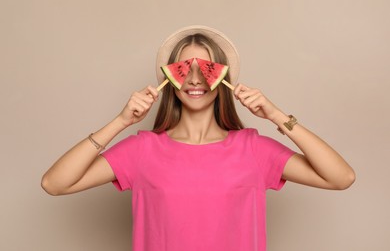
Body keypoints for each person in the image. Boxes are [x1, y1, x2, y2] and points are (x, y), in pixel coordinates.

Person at [41, 25, 355, 251]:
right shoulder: (142, 149)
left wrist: (276, 115)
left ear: (223, 79)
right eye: (183, 68)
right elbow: (54, 184)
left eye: (206, 69)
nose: (194, 78)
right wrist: (120, 122)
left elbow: (341, 177)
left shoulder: (253, 149)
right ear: (169, 79)